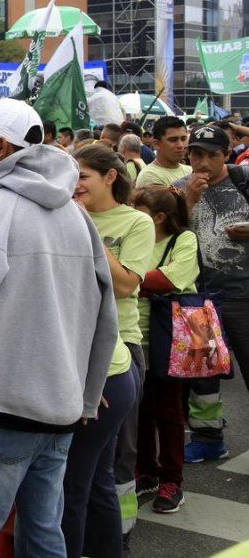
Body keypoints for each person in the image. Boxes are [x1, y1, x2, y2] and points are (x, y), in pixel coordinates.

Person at [0, 99, 118, 557]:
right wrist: (86, 392)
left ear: (3, 145)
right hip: (61, 407)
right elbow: (105, 313)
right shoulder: (76, 214)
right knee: (44, 533)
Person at [63, 144, 150, 557]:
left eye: (82, 176)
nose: (74, 185)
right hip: (74, 349)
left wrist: (83, 225)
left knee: (85, 478)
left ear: (110, 177)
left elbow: (125, 285)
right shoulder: (63, 215)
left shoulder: (136, 222)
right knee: (95, 477)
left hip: (118, 353)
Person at [174, 125, 249, 462]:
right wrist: (188, 199)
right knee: (201, 373)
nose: (202, 162)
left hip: (243, 297)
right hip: (197, 299)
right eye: (196, 154)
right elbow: (166, 237)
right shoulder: (178, 189)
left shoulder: (243, 181)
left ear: (226, 155)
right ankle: (208, 437)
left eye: (211, 155)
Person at [132, 186, 199, 515]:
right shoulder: (137, 235)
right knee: (140, 412)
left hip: (170, 339)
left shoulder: (183, 240)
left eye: (138, 208)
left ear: (159, 217)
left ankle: (173, 479)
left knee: (170, 413)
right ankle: (146, 471)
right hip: (136, 336)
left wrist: (127, 278)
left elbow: (168, 280)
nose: (131, 212)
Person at [136, 116, 191, 188]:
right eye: (173, 140)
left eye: (183, 139)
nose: (180, 145)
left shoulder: (190, 170)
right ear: (156, 144)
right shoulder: (150, 176)